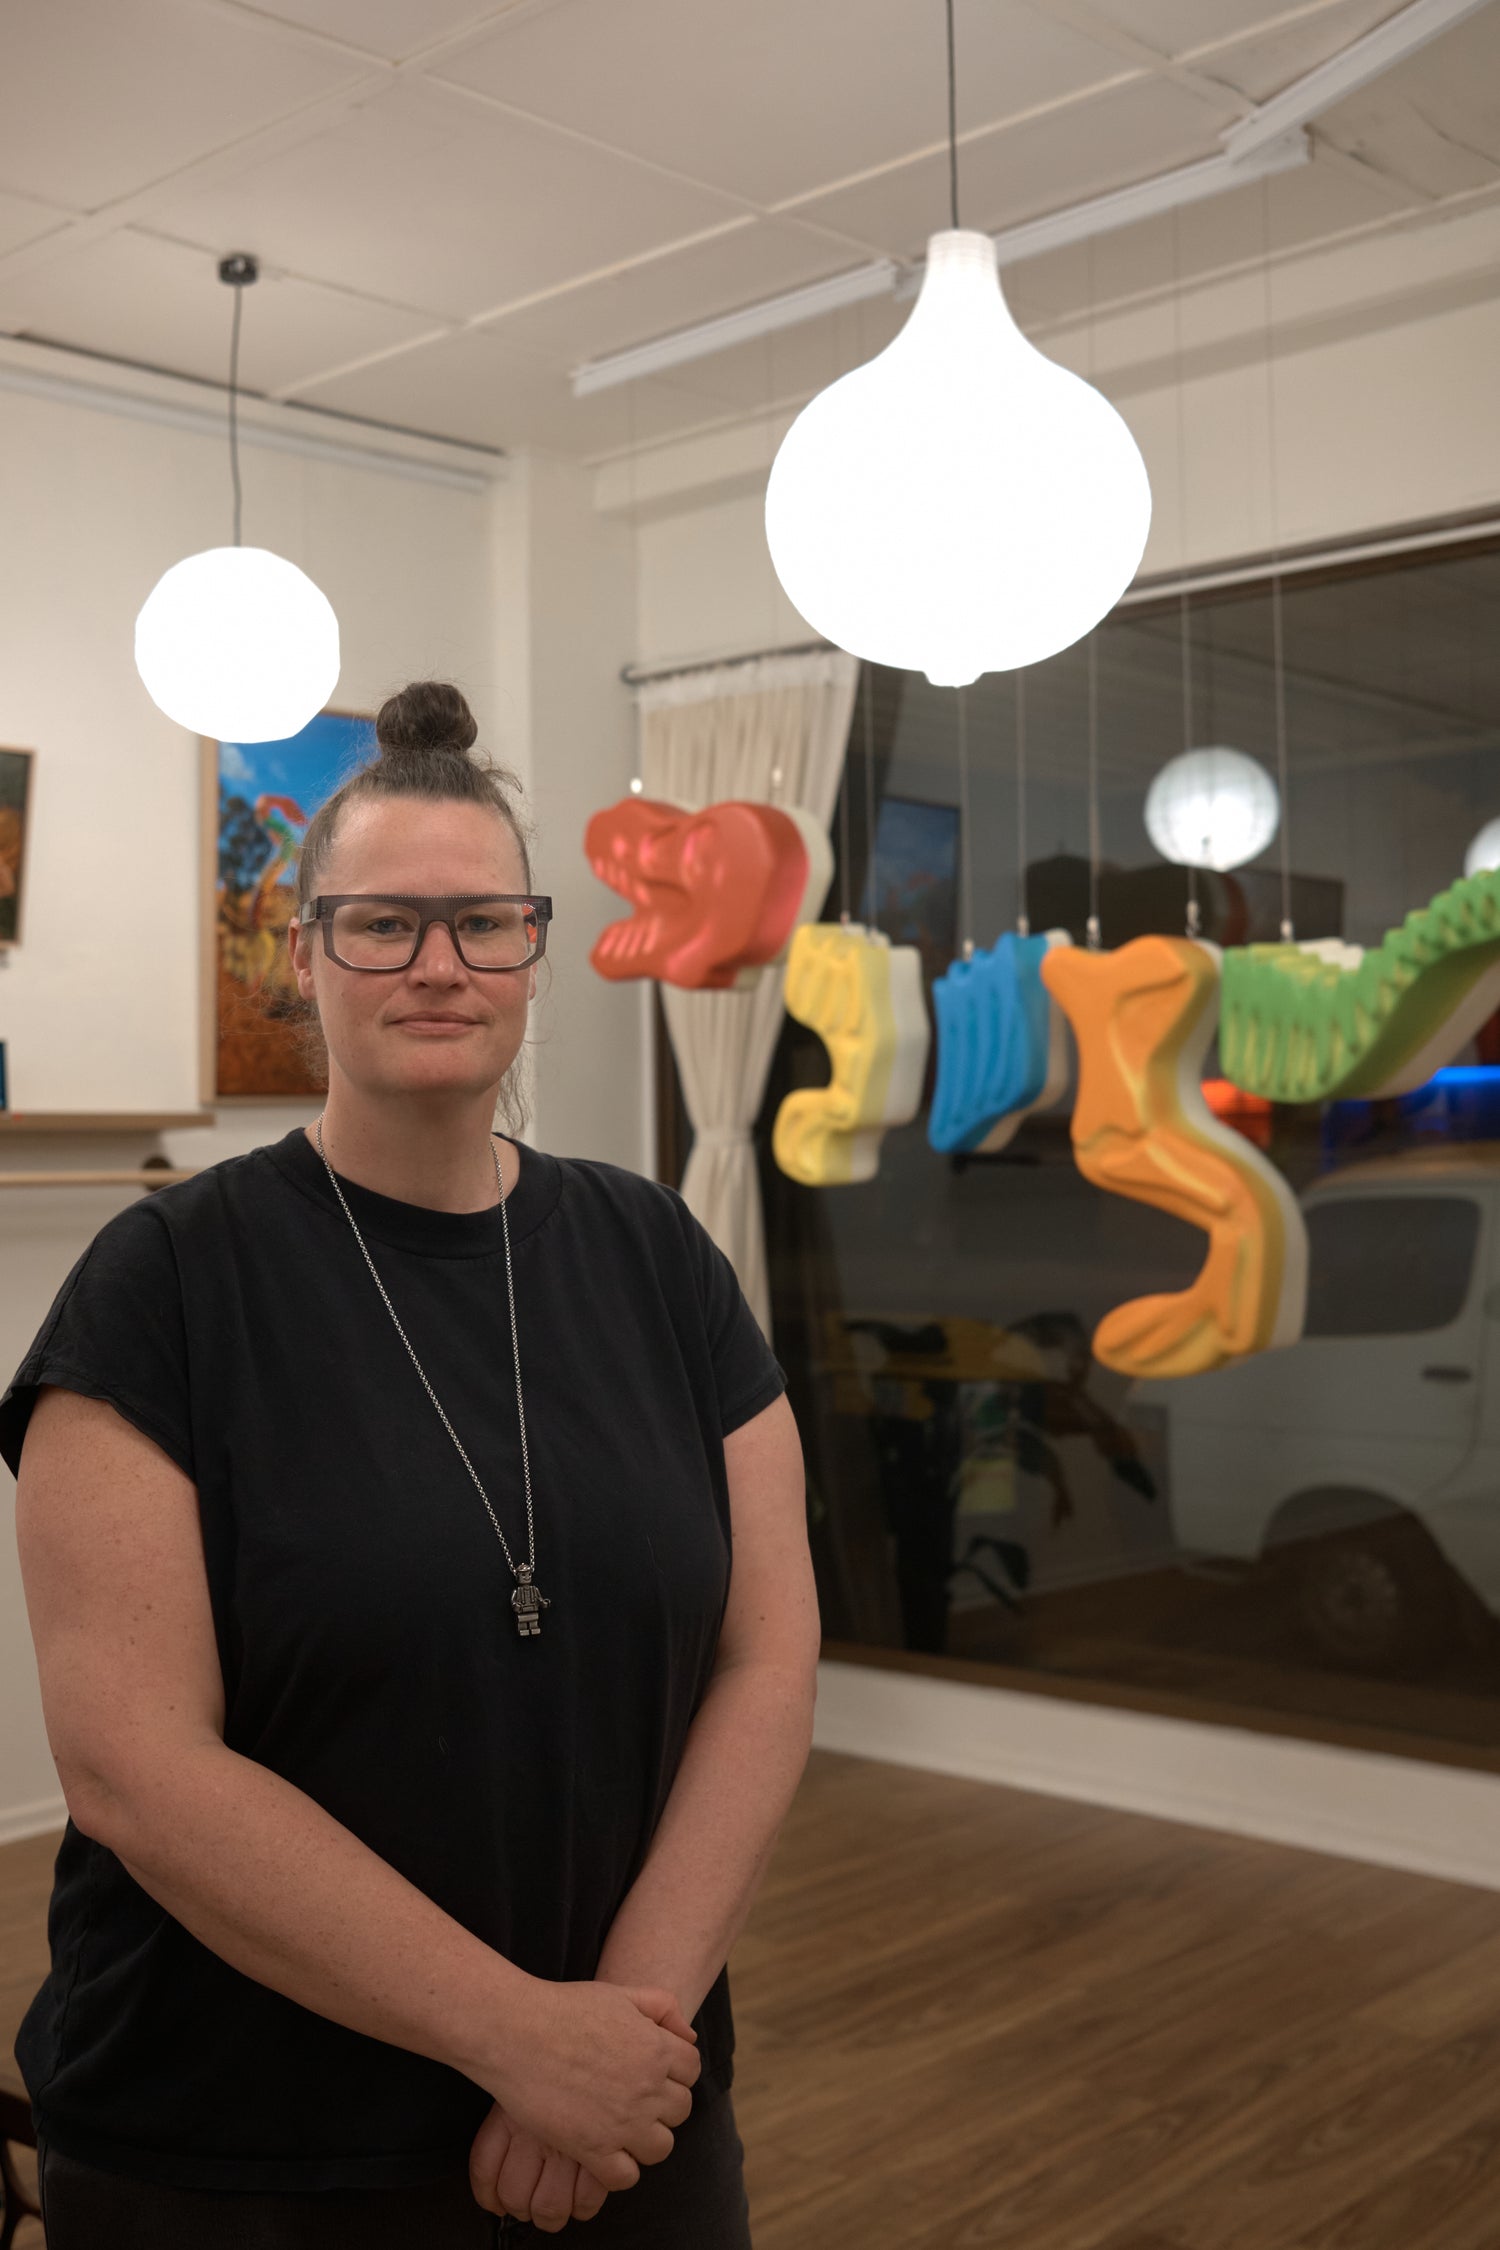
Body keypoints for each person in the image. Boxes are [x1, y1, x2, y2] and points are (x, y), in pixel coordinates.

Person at [2, 680, 821, 2247]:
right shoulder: (165, 1278)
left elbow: (769, 1649)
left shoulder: (658, 1250)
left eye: (484, 922)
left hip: (629, 2119)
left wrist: (616, 2034)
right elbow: (132, 1765)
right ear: (301, 955)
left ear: (534, 949)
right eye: (381, 923)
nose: (439, 964)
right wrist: (516, 2036)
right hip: (240, 2148)